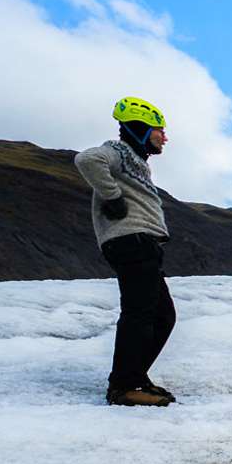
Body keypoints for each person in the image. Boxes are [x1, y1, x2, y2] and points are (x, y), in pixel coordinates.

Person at [74, 96, 178, 407]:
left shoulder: (135, 160)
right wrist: (113, 196)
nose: (165, 136)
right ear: (142, 129)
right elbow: (87, 159)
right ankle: (124, 386)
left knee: (162, 316)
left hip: (141, 243)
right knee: (140, 314)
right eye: (159, 129)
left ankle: (135, 376)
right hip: (130, 240)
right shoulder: (118, 151)